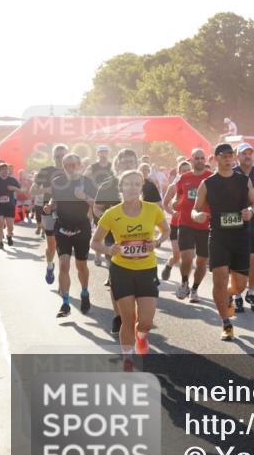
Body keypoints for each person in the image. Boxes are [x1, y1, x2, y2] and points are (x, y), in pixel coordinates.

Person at [91, 169, 169, 372]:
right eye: (128, 184)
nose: (132, 187)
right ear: (121, 188)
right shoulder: (112, 214)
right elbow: (95, 242)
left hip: (147, 270)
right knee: (128, 318)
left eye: (136, 184)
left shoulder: (152, 210)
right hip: (121, 270)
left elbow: (166, 230)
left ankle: (142, 336)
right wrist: (108, 249)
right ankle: (128, 357)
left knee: (145, 321)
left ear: (141, 188)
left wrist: (158, 242)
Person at [191, 143, 254, 342]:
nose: (228, 159)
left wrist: (251, 211)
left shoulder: (244, 180)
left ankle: (229, 294)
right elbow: (195, 209)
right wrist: (197, 215)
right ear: (216, 158)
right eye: (224, 156)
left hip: (240, 237)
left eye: (231, 155)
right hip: (218, 237)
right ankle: (226, 323)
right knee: (219, 279)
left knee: (240, 287)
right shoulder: (207, 184)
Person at [46, 153, 99, 318]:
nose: (71, 167)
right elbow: (55, 200)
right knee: (63, 265)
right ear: (63, 167)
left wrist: (84, 197)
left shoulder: (88, 182)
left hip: (81, 228)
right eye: (67, 165)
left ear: (79, 165)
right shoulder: (57, 183)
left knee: (81, 266)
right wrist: (49, 207)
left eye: (74, 164)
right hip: (62, 228)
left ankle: (84, 293)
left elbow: (98, 205)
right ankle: (66, 303)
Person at [173, 148, 213, 303]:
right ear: (191, 160)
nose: (200, 160)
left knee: (202, 261)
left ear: (205, 160)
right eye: (196, 158)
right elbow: (177, 196)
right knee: (187, 257)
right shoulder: (183, 177)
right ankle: (184, 282)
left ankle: (195, 289)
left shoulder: (211, 178)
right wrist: (174, 203)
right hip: (186, 223)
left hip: (205, 225)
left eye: (202, 158)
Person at [233, 142, 254, 313]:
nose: (248, 156)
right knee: (238, 264)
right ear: (237, 156)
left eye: (250, 153)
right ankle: (237, 295)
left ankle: (251, 293)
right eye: (244, 153)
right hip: (236, 225)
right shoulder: (232, 173)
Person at [34, 144, 69, 284]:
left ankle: (63, 279)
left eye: (63, 156)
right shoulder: (46, 171)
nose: (60, 159)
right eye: (57, 156)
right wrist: (46, 190)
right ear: (53, 157)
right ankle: (49, 265)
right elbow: (32, 191)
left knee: (64, 247)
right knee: (51, 244)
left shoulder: (73, 170)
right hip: (49, 210)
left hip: (67, 212)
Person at [160, 161, 191, 281]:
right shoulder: (173, 187)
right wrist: (173, 213)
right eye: (184, 171)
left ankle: (185, 282)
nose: (187, 172)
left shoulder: (198, 185)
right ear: (179, 172)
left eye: (189, 170)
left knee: (187, 256)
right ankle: (169, 265)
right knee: (177, 255)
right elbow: (165, 204)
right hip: (176, 224)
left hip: (190, 225)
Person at [0, 162, 21, 248]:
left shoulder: (12, 180)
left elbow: (20, 191)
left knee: (10, 226)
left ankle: (9, 236)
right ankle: (1, 242)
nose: (5, 171)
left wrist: (14, 188)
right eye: (2, 169)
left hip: (9, 206)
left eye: (6, 169)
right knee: (0, 223)